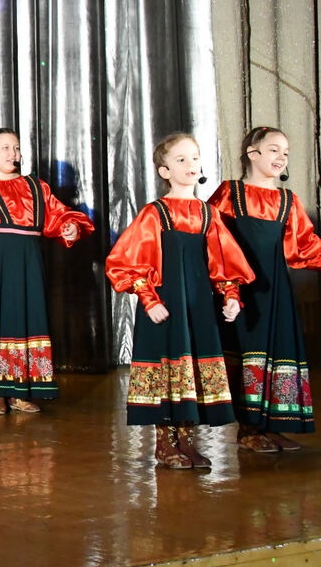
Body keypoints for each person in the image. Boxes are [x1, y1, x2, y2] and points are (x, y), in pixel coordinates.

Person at [106, 132, 254, 470]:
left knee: (194, 368)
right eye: (181, 159)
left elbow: (225, 261)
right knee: (168, 366)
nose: (191, 165)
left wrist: (231, 296)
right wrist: (149, 299)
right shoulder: (154, 213)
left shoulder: (208, 214)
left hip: (198, 305)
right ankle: (165, 444)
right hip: (166, 304)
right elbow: (126, 261)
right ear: (164, 171)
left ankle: (186, 440)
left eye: (195, 158)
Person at [207, 126, 321, 452]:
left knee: (277, 353)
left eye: (285, 152)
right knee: (246, 353)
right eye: (273, 150)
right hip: (241, 291)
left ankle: (271, 426)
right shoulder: (229, 193)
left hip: (276, 291)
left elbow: (304, 247)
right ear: (252, 154)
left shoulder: (287, 200)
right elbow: (211, 238)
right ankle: (249, 429)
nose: (281, 157)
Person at [0, 128, 95, 415]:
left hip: (30, 261)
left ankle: (20, 391)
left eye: (17, 148)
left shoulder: (36, 187)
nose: (13, 154)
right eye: (6, 148)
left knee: (28, 321)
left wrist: (70, 227)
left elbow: (58, 215)